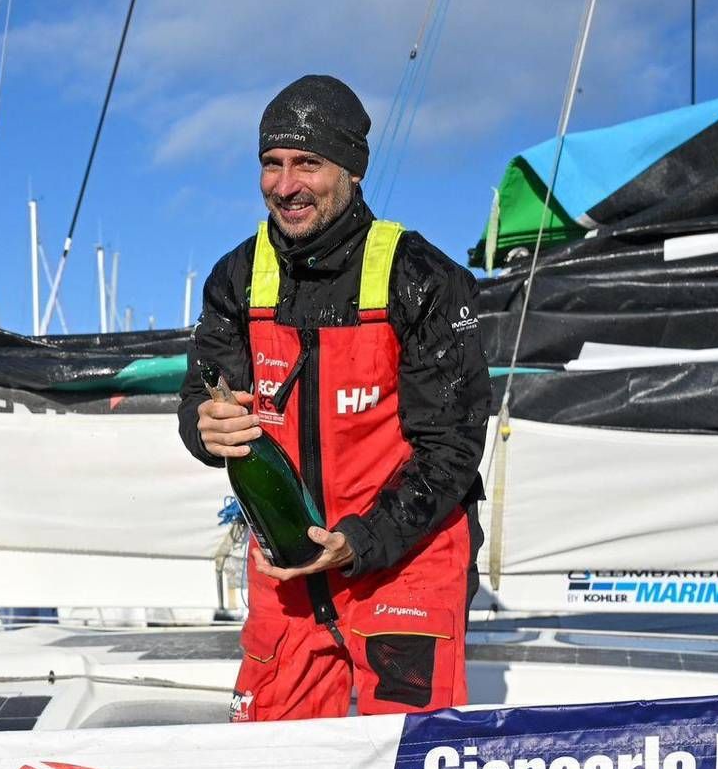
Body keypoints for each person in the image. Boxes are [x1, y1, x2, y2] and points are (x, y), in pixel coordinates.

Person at [181, 74, 491, 721]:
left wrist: (360, 539)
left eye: (307, 163)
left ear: (352, 170)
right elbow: (200, 400)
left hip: (405, 560)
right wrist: (205, 427)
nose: (285, 184)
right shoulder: (235, 278)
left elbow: (453, 446)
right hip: (288, 568)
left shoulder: (423, 278)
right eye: (272, 163)